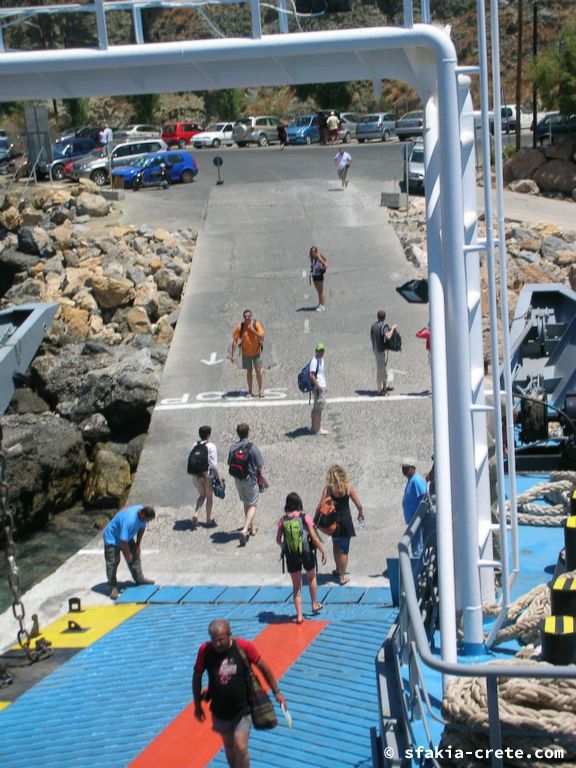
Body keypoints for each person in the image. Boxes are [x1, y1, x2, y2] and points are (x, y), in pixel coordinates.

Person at [193, 619, 286, 768]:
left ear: (230, 635)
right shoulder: (205, 651)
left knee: (241, 747)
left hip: (243, 709)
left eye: (221, 640)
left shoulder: (243, 647)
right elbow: (197, 676)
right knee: (230, 748)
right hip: (220, 710)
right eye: (214, 640)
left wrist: (276, 692)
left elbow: (263, 667)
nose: (217, 644)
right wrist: (197, 705)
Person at [276, 492, 327, 623]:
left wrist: (284, 547)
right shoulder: (305, 518)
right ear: (299, 504)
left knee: (296, 586)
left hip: (291, 554)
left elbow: (278, 539)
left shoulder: (283, 520)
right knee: (311, 578)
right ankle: (314, 604)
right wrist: (323, 550)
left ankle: (299, 615)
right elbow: (314, 537)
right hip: (306, 552)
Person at [317, 464, 364, 585]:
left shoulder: (328, 489)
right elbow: (359, 505)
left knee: (336, 546)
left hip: (333, 522)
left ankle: (338, 569)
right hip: (345, 522)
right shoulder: (348, 487)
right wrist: (360, 514)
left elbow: (321, 504)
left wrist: (315, 519)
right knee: (344, 550)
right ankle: (342, 577)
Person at [102, 504, 156, 599]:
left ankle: (139, 579)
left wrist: (138, 544)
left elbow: (142, 527)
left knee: (135, 555)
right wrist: (127, 555)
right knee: (113, 562)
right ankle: (112, 587)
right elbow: (123, 541)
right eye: (148, 520)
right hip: (112, 538)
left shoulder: (141, 512)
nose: (148, 522)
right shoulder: (130, 520)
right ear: (143, 515)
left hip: (126, 536)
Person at [228, 423, 266, 546]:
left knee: (246, 502)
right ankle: (245, 530)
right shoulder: (252, 447)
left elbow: (229, 462)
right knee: (253, 504)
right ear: (248, 432)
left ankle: (251, 528)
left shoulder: (233, 447)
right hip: (250, 479)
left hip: (238, 479)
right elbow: (260, 464)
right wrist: (260, 476)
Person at [190, 425, 221, 528]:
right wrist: (219, 477)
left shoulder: (195, 444)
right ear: (209, 435)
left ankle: (196, 514)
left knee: (201, 495)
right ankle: (208, 520)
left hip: (196, 474)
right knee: (209, 497)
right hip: (207, 475)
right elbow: (213, 465)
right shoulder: (211, 446)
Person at [230, 309, 266, 398]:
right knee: (249, 371)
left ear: (251, 316)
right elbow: (234, 340)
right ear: (243, 317)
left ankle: (261, 389)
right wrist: (233, 355)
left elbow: (262, 337)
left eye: (248, 316)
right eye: (245, 317)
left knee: (258, 370)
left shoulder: (256, 324)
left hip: (256, 352)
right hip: (246, 353)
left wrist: (252, 330)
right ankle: (250, 390)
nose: (247, 318)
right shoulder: (240, 327)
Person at [370, 310, 398, 395]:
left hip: (375, 348)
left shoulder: (373, 326)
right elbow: (388, 336)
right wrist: (393, 328)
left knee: (383, 368)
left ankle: (384, 387)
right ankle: (380, 390)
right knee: (380, 369)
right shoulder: (383, 326)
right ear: (384, 317)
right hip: (380, 350)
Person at [309, 342, 328, 435]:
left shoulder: (321, 359)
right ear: (316, 351)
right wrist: (318, 386)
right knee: (318, 409)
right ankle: (318, 429)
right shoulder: (314, 361)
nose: (321, 352)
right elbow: (311, 375)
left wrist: (325, 385)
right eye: (319, 351)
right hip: (318, 388)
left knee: (316, 408)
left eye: (322, 351)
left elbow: (321, 374)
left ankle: (314, 427)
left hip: (321, 386)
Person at [309, 245, 328, 312]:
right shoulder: (312, 258)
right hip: (314, 276)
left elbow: (326, 265)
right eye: (312, 252)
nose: (313, 253)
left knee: (321, 291)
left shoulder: (319, 258)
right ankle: (319, 304)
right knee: (318, 292)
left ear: (316, 252)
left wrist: (320, 268)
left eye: (314, 252)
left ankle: (322, 306)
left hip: (319, 276)